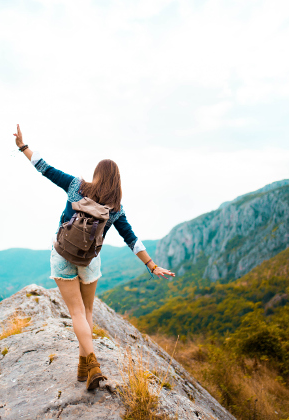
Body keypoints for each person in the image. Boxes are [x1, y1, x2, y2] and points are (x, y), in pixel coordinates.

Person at [13, 124, 175, 390]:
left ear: (97, 174)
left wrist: (22, 146)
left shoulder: (76, 186)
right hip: (90, 261)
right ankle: (83, 367)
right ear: (117, 180)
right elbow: (131, 240)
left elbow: (44, 167)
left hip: (63, 255)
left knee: (76, 313)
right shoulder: (115, 209)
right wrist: (152, 265)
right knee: (87, 311)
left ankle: (93, 365)